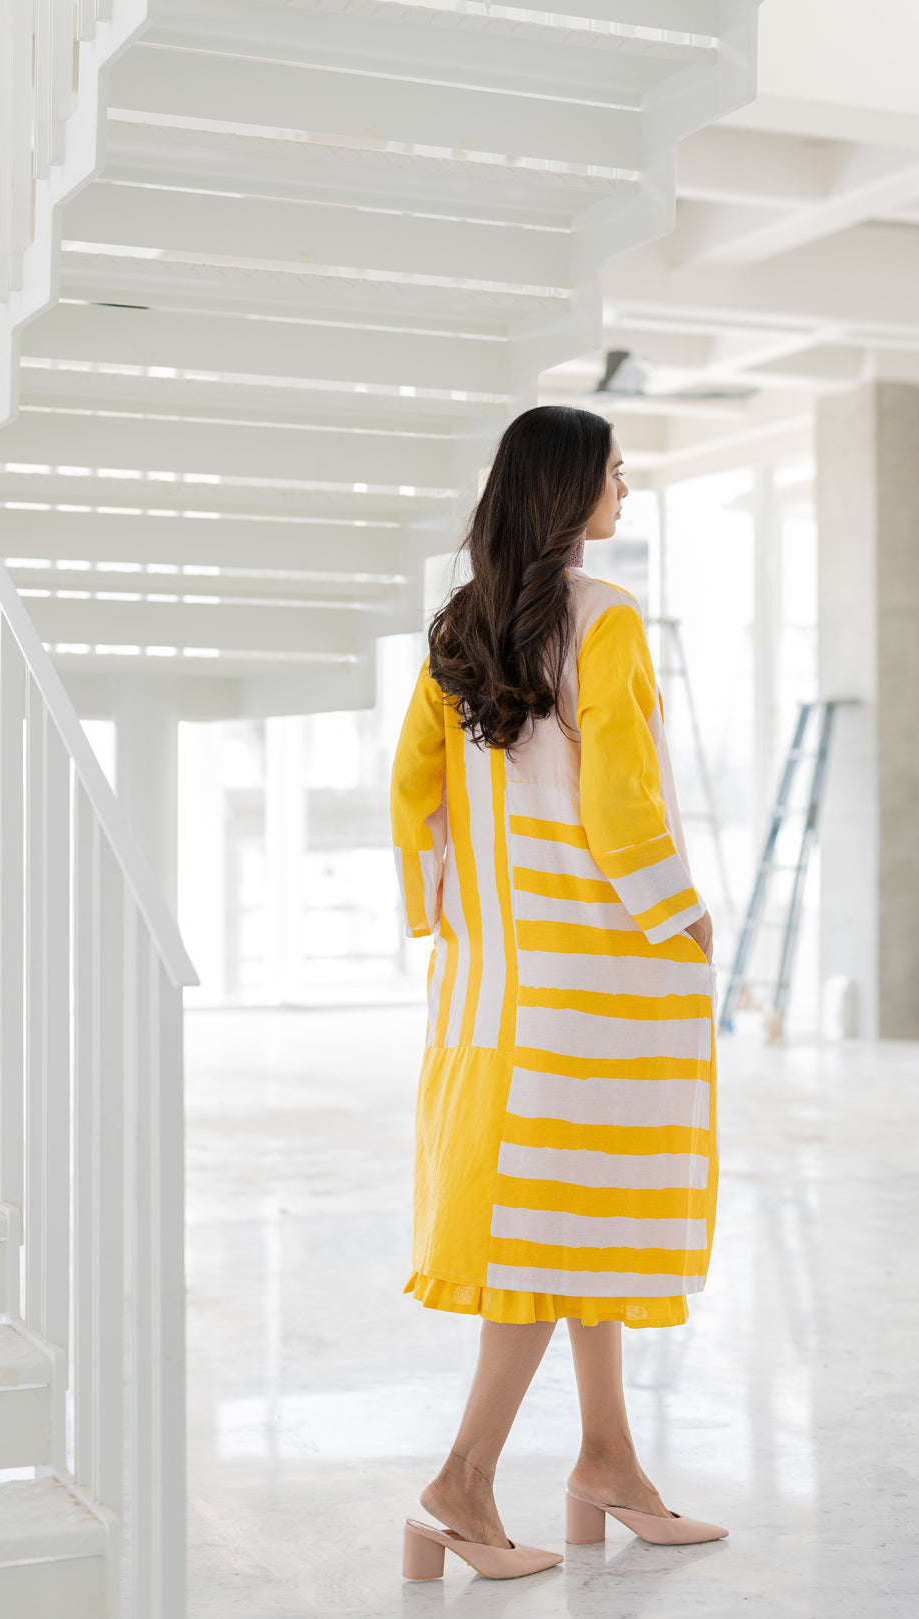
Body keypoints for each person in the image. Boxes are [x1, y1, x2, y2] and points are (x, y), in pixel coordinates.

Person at [390, 405, 723, 1582]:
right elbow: (620, 798)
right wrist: (680, 911)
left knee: (577, 1216)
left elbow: (415, 793)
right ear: (570, 487)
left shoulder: (460, 623)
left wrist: (447, 917)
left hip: (494, 981)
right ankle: (462, 1480)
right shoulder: (606, 617)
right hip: (596, 973)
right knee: (555, 1225)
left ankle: (606, 1459)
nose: (625, 488)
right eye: (614, 472)